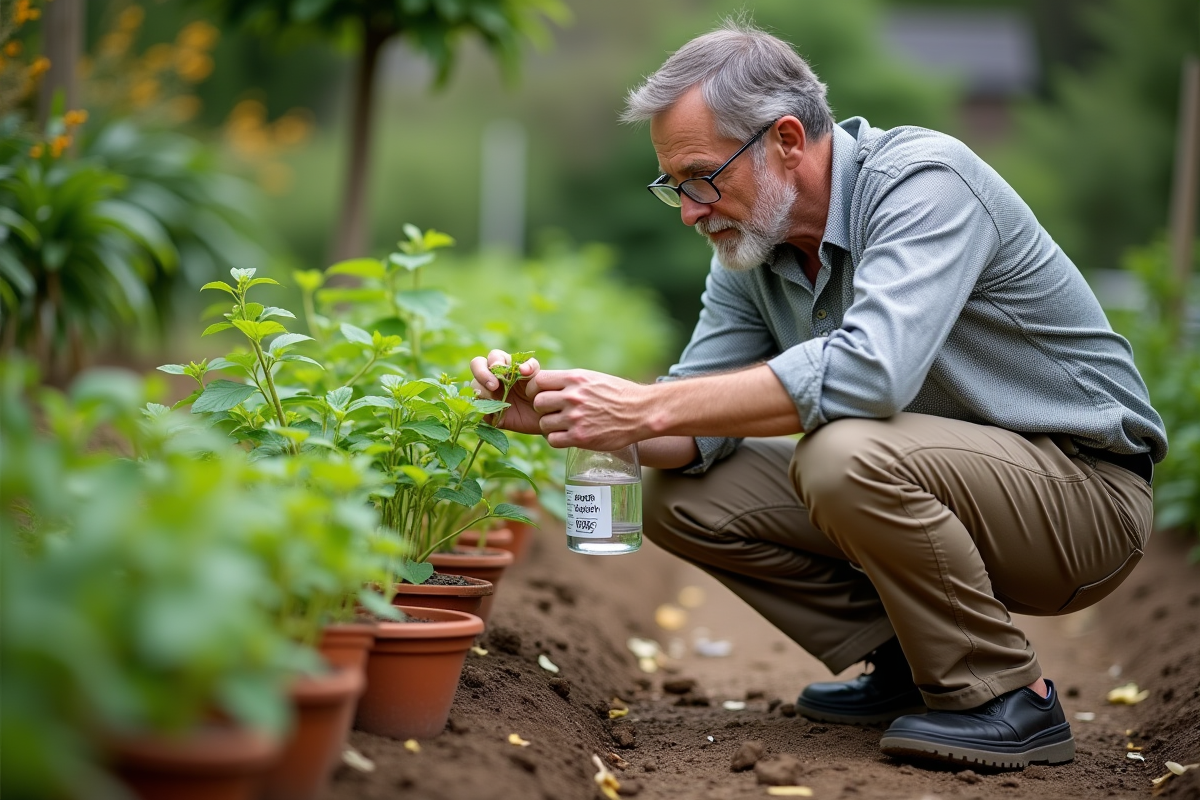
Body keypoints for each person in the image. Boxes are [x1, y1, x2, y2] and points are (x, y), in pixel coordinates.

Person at [469, 20, 1166, 770]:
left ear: (787, 141)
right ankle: (909, 665)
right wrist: (566, 411)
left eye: (703, 177)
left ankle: (1007, 698)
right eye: (674, 185)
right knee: (679, 489)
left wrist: (646, 406)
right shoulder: (752, 256)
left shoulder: (925, 182)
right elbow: (693, 423)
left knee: (841, 451)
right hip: (940, 482)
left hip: (1084, 499)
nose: (689, 210)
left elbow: (872, 375)